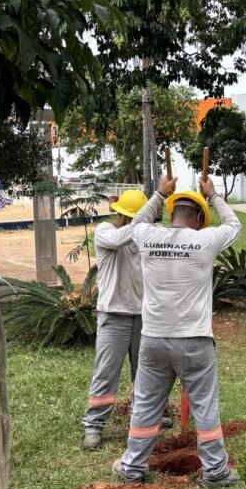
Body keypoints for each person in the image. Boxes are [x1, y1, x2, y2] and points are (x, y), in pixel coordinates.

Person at [113, 173, 242, 489]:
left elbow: (137, 223)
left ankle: (132, 467)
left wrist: (159, 193)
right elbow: (234, 225)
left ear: (172, 214)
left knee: (146, 405)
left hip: (154, 340)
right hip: (195, 341)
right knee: (205, 408)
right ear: (198, 219)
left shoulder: (148, 236)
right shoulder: (205, 240)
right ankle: (215, 472)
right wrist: (212, 195)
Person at [81, 189, 147, 451]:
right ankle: (94, 426)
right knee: (106, 373)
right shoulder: (106, 232)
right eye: (130, 217)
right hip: (114, 316)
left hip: (143, 316)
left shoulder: (143, 238)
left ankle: (142, 416)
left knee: (144, 374)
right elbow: (122, 238)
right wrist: (143, 220)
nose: (131, 222)